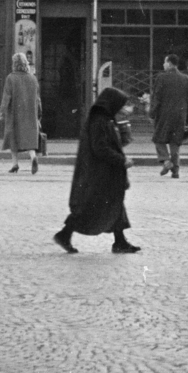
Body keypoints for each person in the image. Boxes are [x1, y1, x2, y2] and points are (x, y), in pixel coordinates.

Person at [54, 86, 140, 255]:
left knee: (115, 205)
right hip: (98, 174)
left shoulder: (105, 119)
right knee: (91, 207)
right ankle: (65, 234)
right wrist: (122, 160)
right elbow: (100, 148)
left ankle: (120, 241)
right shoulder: (99, 121)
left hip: (104, 173)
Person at [149, 54, 188, 178]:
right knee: (175, 142)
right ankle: (176, 170)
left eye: (164, 62)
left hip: (164, 114)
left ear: (169, 63)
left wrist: (152, 112)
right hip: (180, 115)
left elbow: (156, 97)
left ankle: (166, 160)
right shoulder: (185, 78)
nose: (163, 65)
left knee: (158, 138)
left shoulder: (161, 78)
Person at [0, 53, 42, 174]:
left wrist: (1, 112)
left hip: (14, 114)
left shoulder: (11, 78)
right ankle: (33, 157)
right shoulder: (33, 78)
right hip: (30, 114)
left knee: (14, 138)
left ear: (14, 64)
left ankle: (15, 164)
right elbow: (38, 99)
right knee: (28, 139)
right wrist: (39, 115)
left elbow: (6, 97)